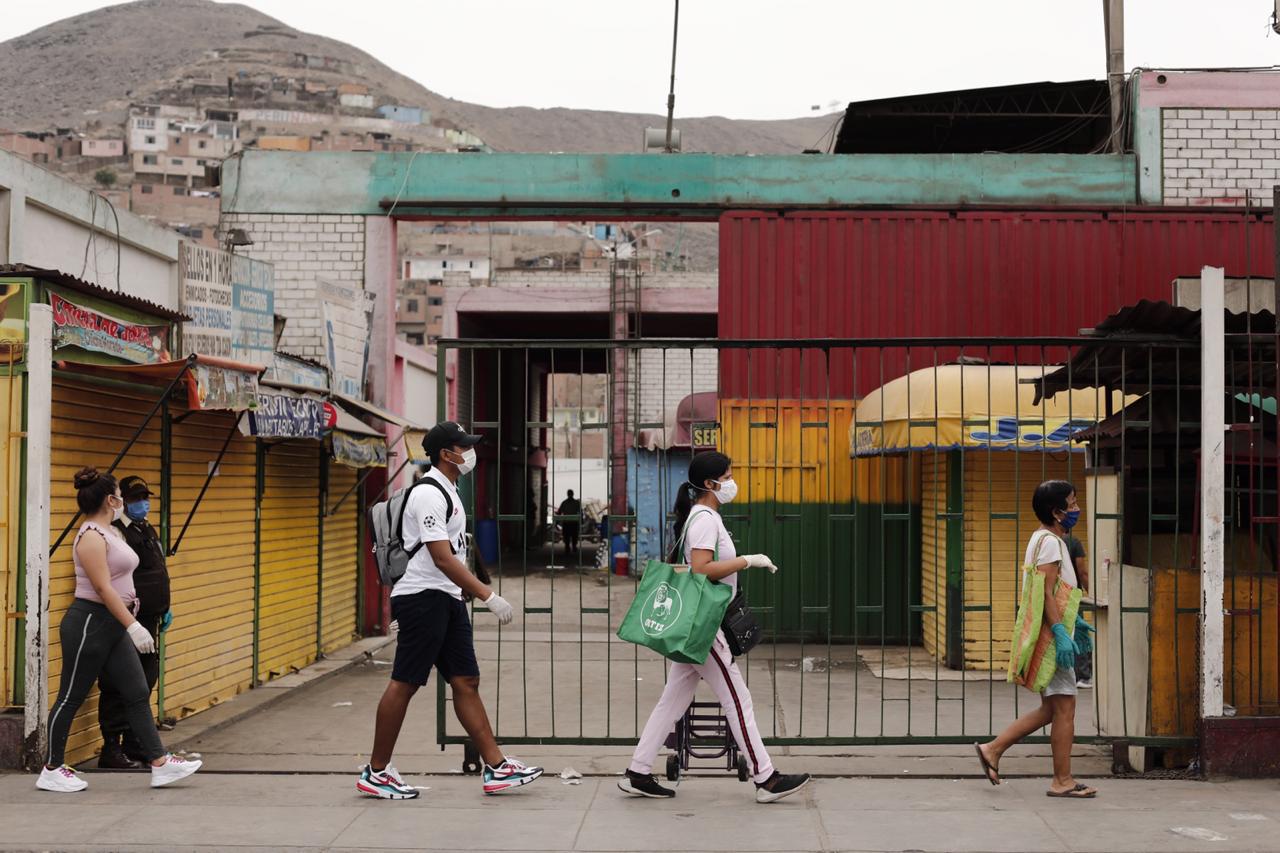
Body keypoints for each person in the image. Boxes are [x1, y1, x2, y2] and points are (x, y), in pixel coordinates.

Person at [357, 421, 544, 799]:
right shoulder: (429, 494)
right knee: (405, 681)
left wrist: (465, 593)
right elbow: (441, 557)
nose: (470, 452)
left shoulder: (449, 490)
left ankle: (496, 766)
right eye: (463, 446)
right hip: (423, 597)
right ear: (446, 454)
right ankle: (376, 772)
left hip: (445, 598)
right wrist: (488, 595)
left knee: (465, 680)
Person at [619, 451, 811, 804]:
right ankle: (766, 778)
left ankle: (638, 772)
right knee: (738, 699)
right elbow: (701, 569)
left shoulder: (702, 516)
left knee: (672, 701)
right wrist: (747, 561)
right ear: (710, 484)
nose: (732, 481)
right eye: (728, 476)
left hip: (698, 623)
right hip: (703, 627)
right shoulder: (705, 519)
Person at [37, 468, 202, 793]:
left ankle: (159, 763)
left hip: (113, 624)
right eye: (120, 495)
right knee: (70, 696)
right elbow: (102, 588)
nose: (125, 501)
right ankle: (52, 768)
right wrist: (133, 625)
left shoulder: (111, 531)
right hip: (90, 623)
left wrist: (130, 620)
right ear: (111, 500)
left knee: (137, 691)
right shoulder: (90, 537)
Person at [974, 480, 1097, 799]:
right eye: (1072, 503)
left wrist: (1075, 622)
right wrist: (1060, 632)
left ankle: (992, 749)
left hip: (1052, 632)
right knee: (1065, 708)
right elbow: (1044, 593)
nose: (1076, 508)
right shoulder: (1052, 543)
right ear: (1057, 512)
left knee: (1051, 709)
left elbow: (1052, 591)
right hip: (1053, 639)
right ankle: (1062, 780)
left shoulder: (1043, 539)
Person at [97, 475, 172, 769]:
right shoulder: (116, 532)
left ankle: (133, 742)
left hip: (150, 619)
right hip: (127, 621)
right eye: (136, 498)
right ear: (121, 501)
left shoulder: (145, 528)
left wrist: (165, 607)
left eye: (145, 497)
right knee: (117, 683)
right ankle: (111, 748)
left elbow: (158, 570)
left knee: (144, 681)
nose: (143, 503)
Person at [1062, 529, 1094, 690]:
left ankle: (1066, 674)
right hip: (1072, 596)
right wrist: (1092, 595)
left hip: (1055, 595)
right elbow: (1082, 573)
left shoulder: (1049, 542)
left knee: (1062, 633)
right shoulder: (1074, 542)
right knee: (1080, 634)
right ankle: (1083, 676)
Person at [557, 489, 582, 557]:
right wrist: (581, 520)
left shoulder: (564, 503)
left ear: (567, 494)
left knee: (566, 535)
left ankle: (567, 547)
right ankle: (573, 546)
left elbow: (559, 512)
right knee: (574, 535)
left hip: (566, 522)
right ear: (573, 494)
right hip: (574, 522)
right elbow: (580, 512)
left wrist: (557, 521)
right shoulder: (576, 503)